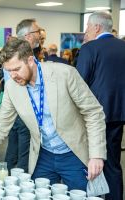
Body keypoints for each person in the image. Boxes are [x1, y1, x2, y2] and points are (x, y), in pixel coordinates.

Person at [0, 39, 106, 191]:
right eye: (8, 71)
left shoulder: (65, 74)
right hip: (43, 154)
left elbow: (93, 112)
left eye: (17, 69)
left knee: (84, 195)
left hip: (73, 152)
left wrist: (96, 155)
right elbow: (0, 125)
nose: (12, 75)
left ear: (30, 60)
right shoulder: (13, 87)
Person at [77, 11, 125, 200]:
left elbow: (79, 83)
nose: (86, 31)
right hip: (119, 113)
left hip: (94, 115)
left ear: (97, 27)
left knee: (91, 160)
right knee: (112, 162)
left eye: (88, 26)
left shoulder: (90, 48)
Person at [4, 18, 40, 172]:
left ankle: (9, 179)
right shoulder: (17, 57)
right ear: (28, 36)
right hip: (24, 109)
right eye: (37, 32)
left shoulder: (12, 52)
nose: (39, 35)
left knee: (14, 148)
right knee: (24, 150)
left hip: (16, 109)